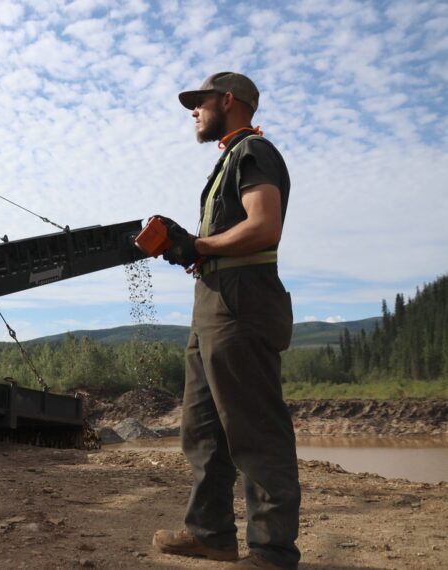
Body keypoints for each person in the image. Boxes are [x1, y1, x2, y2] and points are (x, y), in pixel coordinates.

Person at [150, 72, 301, 570]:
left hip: (242, 303)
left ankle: (272, 552)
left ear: (229, 101)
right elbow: (224, 237)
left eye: (201, 101)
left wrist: (199, 245)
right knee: (203, 428)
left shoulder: (255, 154)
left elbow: (264, 226)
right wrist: (191, 250)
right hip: (214, 300)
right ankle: (210, 535)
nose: (193, 110)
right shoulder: (229, 159)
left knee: (256, 431)